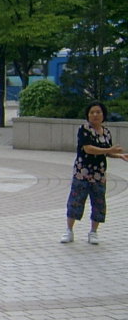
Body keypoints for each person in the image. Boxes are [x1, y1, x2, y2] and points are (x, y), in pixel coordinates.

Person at [60, 101, 127, 245]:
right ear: (88, 115)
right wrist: (109, 150)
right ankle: (69, 230)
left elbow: (107, 152)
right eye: (92, 112)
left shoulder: (106, 132)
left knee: (98, 203)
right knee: (76, 201)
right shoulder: (84, 129)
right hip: (82, 173)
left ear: (103, 115)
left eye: (98, 112)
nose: (95, 115)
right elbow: (88, 149)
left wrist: (119, 155)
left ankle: (93, 232)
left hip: (99, 175)